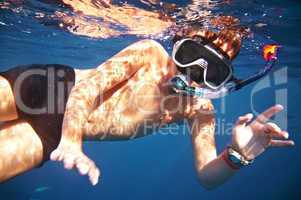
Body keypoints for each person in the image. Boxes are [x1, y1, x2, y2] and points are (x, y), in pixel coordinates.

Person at [0, 28, 294, 189]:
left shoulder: (199, 109)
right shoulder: (150, 52)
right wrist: (73, 143)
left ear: (220, 80)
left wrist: (237, 156)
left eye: (211, 71)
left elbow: (207, 177)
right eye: (190, 55)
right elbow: (86, 90)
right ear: (180, 43)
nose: (190, 72)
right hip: (46, 86)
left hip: (53, 133)